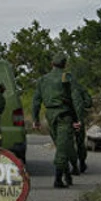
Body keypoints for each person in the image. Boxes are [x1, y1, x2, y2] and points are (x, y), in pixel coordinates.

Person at [32, 53, 85, 189]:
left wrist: (35, 119)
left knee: (61, 145)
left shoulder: (42, 80)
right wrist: (79, 118)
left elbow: (36, 101)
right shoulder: (67, 77)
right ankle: (58, 179)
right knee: (62, 148)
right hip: (64, 115)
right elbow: (77, 100)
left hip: (50, 116)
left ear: (52, 64)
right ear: (65, 64)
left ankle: (67, 175)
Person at [70, 81, 92, 175]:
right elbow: (88, 103)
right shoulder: (80, 87)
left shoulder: (59, 88)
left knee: (68, 143)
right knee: (80, 142)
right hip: (79, 118)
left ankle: (74, 166)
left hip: (66, 117)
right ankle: (82, 163)